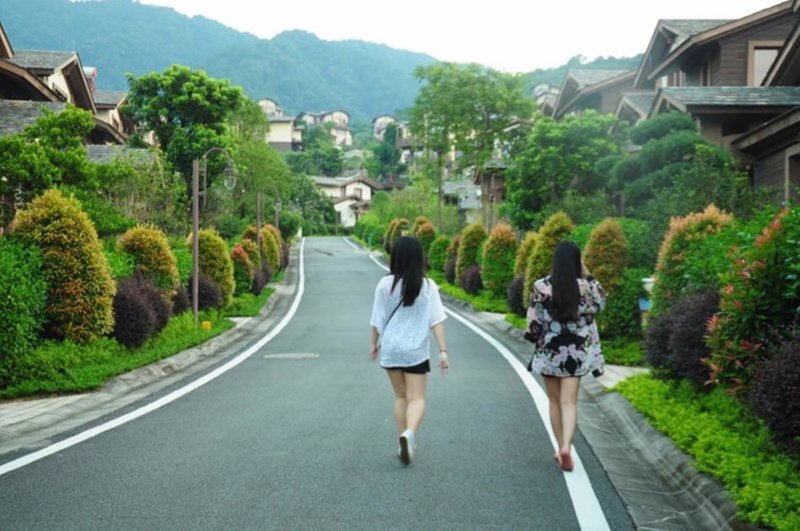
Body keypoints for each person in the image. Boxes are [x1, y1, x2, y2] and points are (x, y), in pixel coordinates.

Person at [526, 240, 606, 472]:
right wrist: (588, 274)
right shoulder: (586, 287)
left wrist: (534, 336)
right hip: (576, 352)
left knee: (553, 401)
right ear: (576, 262)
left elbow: (534, 320)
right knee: (569, 402)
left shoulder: (541, 286)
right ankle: (566, 447)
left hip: (549, 350)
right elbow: (601, 303)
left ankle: (559, 446)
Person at [370, 236, 448, 465]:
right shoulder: (428, 286)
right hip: (415, 350)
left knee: (400, 396)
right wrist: (443, 351)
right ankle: (410, 434)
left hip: (391, 348)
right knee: (417, 398)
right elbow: (436, 321)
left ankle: (402, 439)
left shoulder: (385, 284)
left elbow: (377, 319)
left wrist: (373, 344)